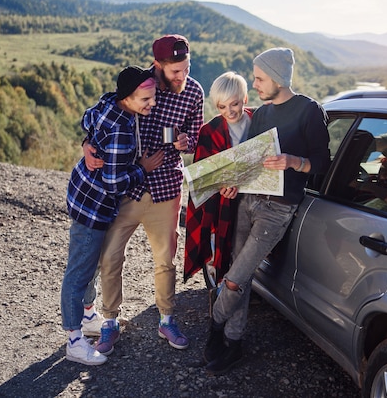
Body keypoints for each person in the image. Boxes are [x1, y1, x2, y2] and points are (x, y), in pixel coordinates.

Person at [204, 47, 330, 375]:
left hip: (278, 209)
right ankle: (234, 343)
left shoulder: (308, 110)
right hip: (249, 199)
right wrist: (232, 182)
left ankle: (214, 329)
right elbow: (250, 160)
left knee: (233, 280)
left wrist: (293, 161)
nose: (255, 84)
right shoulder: (261, 114)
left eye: (259, 78)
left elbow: (323, 163)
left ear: (276, 77)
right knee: (240, 276)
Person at [83, 34, 205, 355]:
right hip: (126, 188)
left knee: (165, 261)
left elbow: (196, 134)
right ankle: (109, 321)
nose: (182, 77)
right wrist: (87, 143)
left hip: (166, 188)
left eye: (186, 68)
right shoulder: (140, 85)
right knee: (110, 257)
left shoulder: (193, 91)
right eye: (175, 71)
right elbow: (103, 115)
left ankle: (166, 319)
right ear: (158, 66)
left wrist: (186, 143)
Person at [60, 66, 163, 365]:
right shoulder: (122, 133)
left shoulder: (108, 102)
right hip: (93, 207)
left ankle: (89, 316)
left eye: (153, 97)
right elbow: (113, 183)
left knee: (90, 263)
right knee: (78, 272)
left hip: (80, 192)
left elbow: (86, 118)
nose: (151, 104)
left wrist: (88, 142)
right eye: (145, 99)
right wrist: (143, 168)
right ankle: (74, 340)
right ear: (128, 98)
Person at [184, 72, 253, 290]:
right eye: (222, 107)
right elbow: (203, 177)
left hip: (256, 197)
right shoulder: (209, 131)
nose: (229, 111)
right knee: (224, 251)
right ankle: (222, 292)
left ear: (245, 99)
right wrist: (222, 185)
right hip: (224, 202)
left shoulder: (259, 121)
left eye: (234, 104)